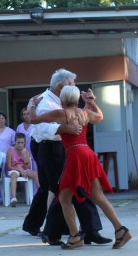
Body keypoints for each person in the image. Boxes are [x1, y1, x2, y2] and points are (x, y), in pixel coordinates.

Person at [29, 85, 132, 249]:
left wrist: (32, 105)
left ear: (62, 99)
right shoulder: (84, 113)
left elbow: (33, 120)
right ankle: (120, 230)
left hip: (75, 156)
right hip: (88, 154)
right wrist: (91, 102)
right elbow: (100, 116)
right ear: (77, 99)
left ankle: (75, 237)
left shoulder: (61, 114)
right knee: (98, 196)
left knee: (64, 198)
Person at [23, 68, 110, 245]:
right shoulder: (45, 102)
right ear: (61, 87)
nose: (75, 88)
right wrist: (65, 128)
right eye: (72, 84)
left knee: (70, 188)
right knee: (60, 190)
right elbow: (40, 128)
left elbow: (83, 117)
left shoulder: (64, 103)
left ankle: (85, 230)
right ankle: (53, 232)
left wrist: (89, 103)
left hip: (67, 148)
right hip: (49, 147)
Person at [6, 133, 39, 207]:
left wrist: (25, 156)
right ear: (15, 142)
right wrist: (19, 169)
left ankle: (42, 194)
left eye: (22, 143)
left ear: (24, 143)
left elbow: (27, 167)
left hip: (24, 170)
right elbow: (9, 166)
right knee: (14, 175)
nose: (20, 145)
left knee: (35, 174)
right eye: (18, 142)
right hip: (14, 169)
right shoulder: (10, 150)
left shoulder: (26, 151)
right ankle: (13, 197)